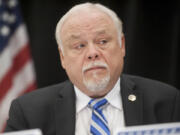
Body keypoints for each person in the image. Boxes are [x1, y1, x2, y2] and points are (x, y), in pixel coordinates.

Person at [5, 2, 180, 135]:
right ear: (63, 57)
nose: (92, 53)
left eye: (102, 41)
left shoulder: (166, 102)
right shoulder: (28, 112)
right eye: (79, 45)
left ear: (122, 46)